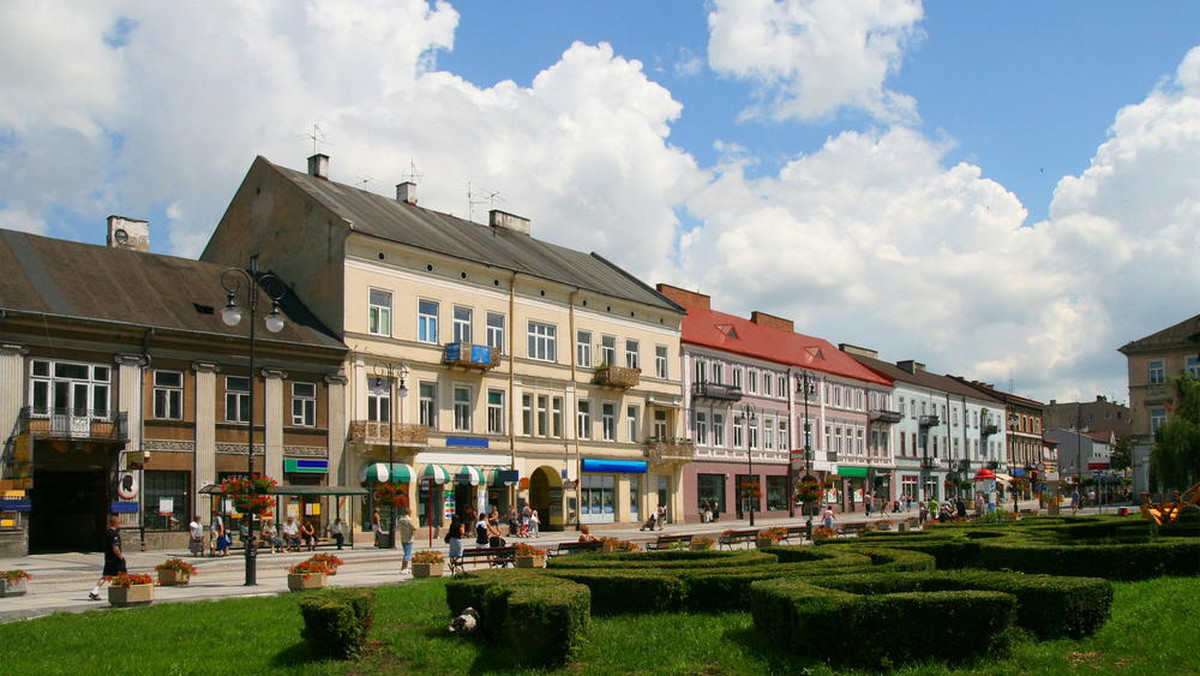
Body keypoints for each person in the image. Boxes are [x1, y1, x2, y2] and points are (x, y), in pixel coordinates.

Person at [89, 514, 126, 600]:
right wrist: (120, 556)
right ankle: (122, 593)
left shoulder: (106, 533)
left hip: (108, 558)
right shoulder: (114, 535)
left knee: (106, 575)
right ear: (116, 523)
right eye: (119, 523)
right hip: (115, 559)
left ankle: (95, 591)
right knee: (123, 574)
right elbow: (115, 547)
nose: (120, 525)